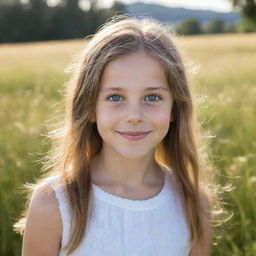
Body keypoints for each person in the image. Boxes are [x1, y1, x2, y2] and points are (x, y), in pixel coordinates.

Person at [14, 15, 217, 256]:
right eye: (115, 97)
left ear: (174, 108)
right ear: (90, 108)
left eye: (152, 97)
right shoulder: (54, 203)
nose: (134, 116)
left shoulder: (194, 204)